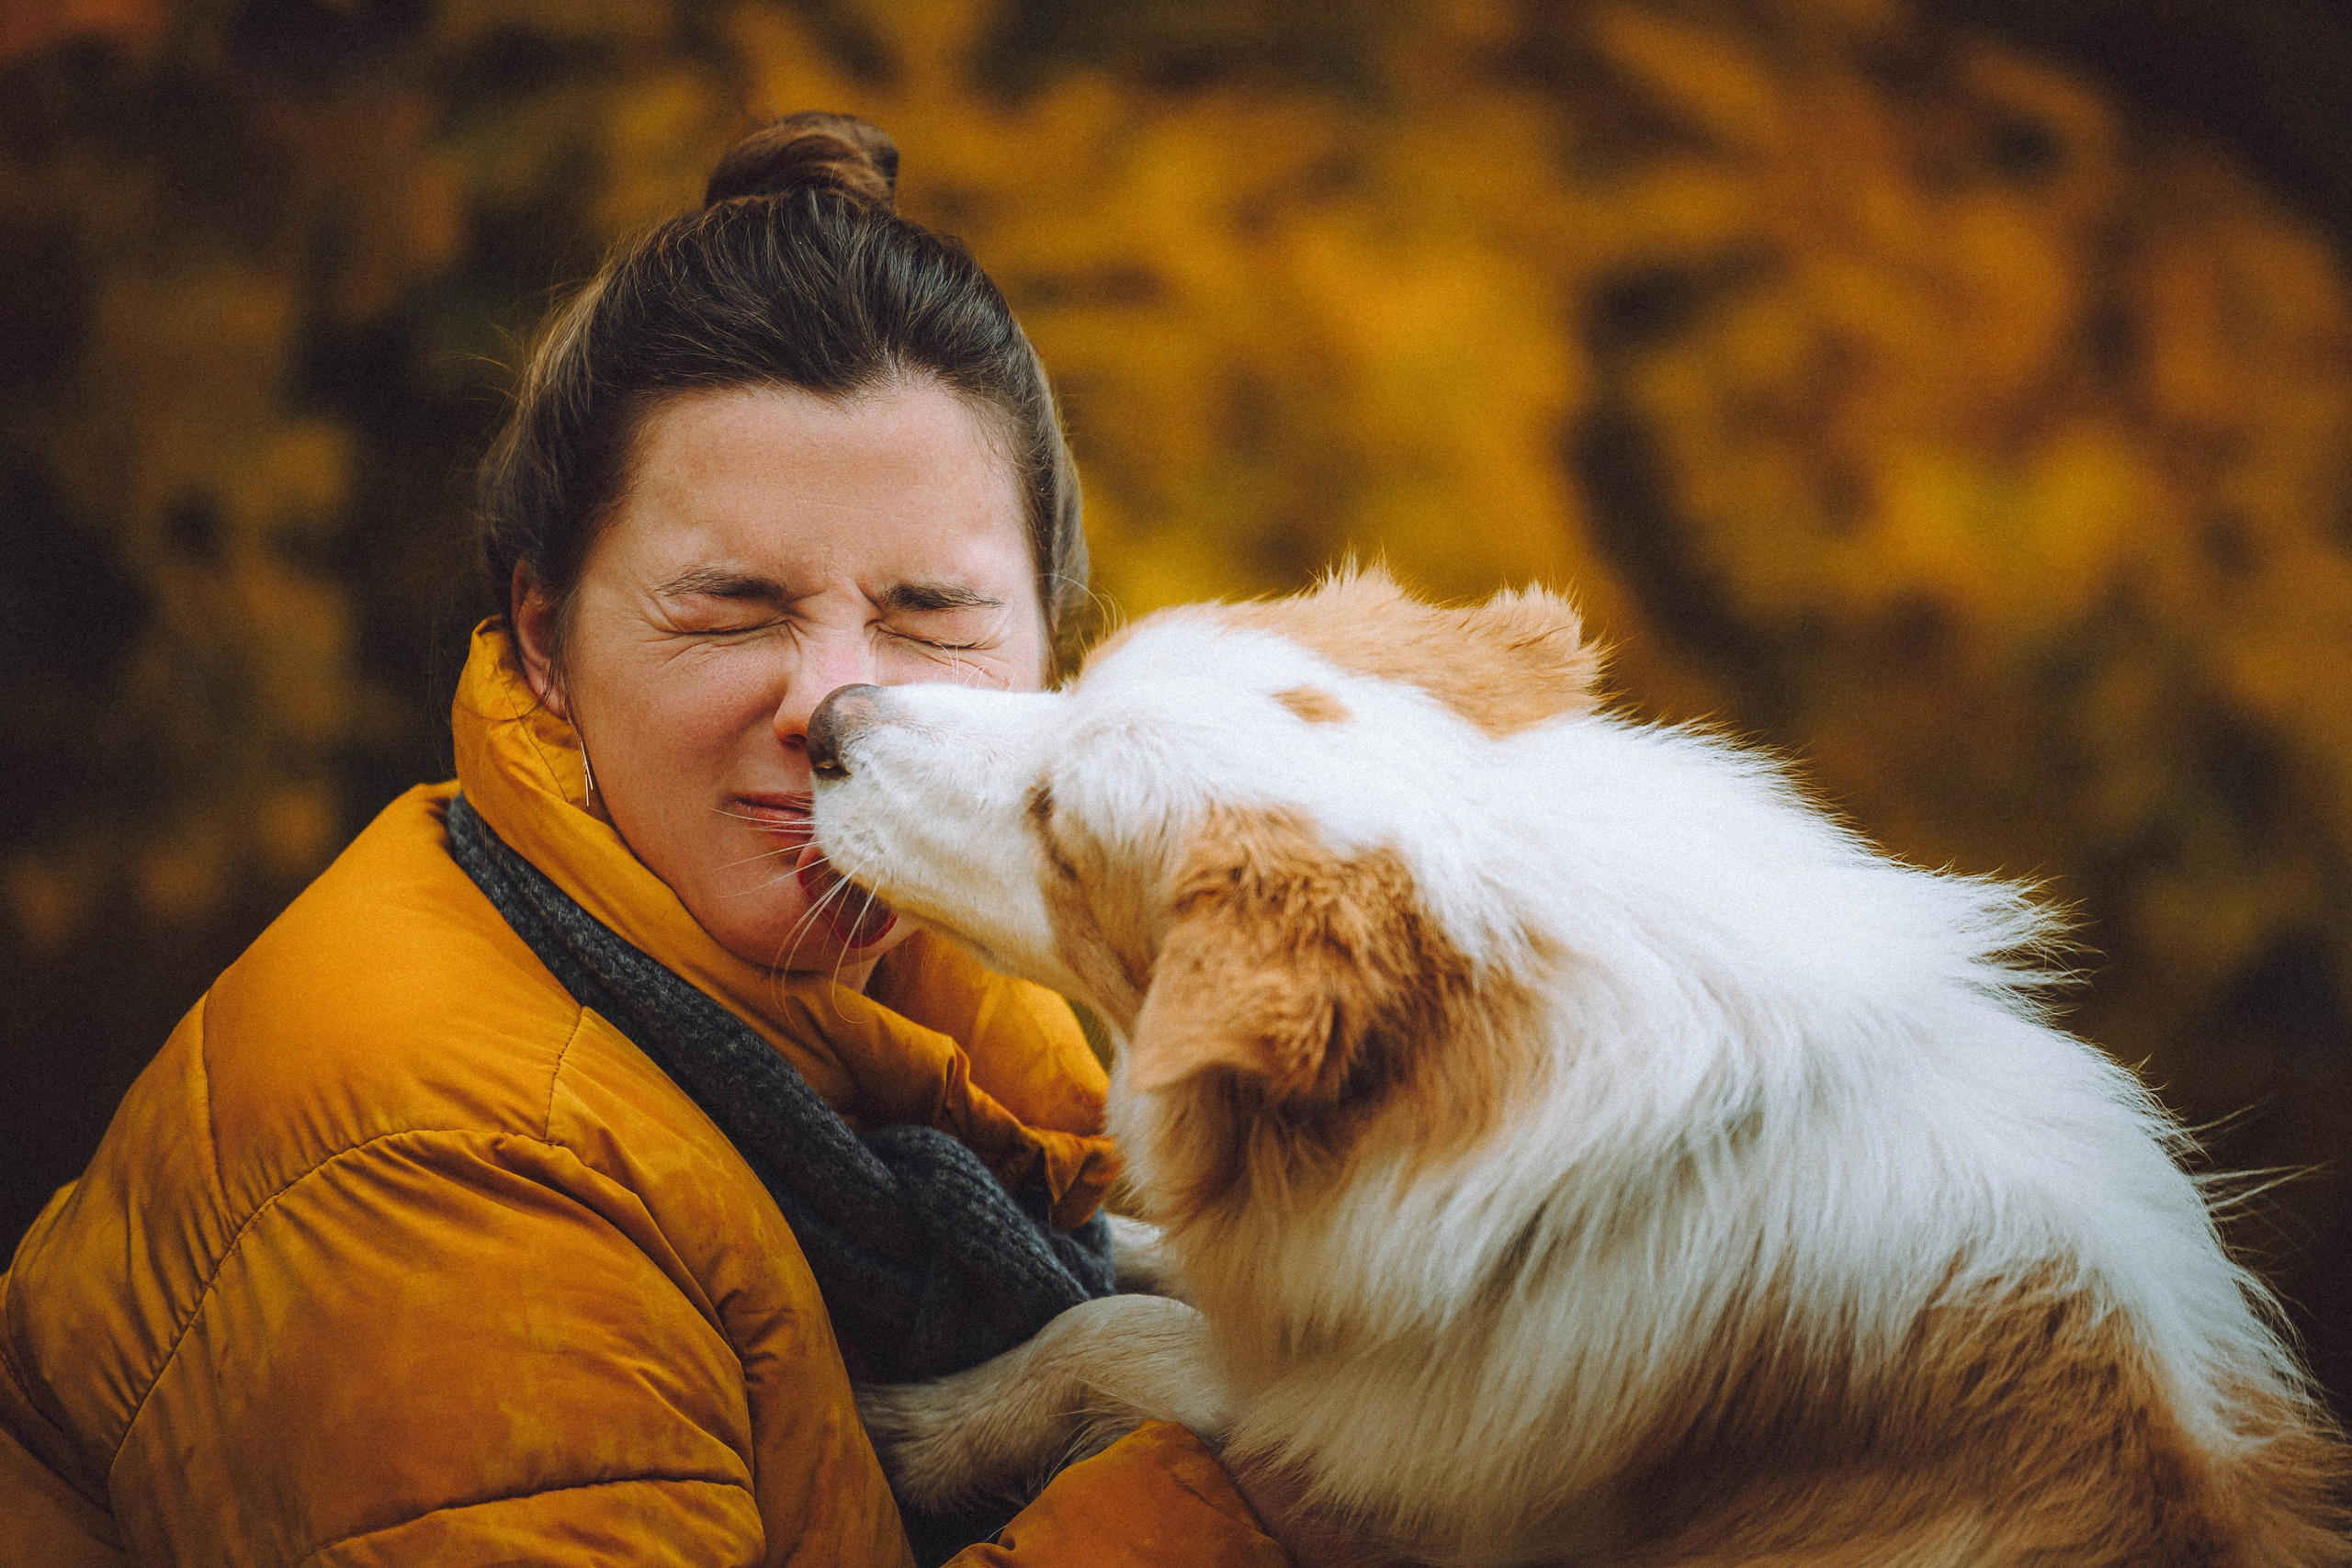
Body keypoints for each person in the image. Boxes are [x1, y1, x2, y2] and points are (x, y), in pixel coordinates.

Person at [0, 112, 1303, 1566]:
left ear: (1052, 644)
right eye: (732, 608)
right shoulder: (450, 1164)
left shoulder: (959, 1034)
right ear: (547, 640)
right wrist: (1277, 1502)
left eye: (930, 615)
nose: (834, 701)